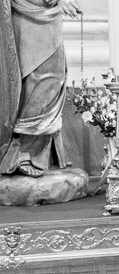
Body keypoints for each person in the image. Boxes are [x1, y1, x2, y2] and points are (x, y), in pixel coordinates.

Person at [0, 0, 80, 176]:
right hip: (25, 10)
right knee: (37, 77)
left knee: (52, 76)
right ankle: (24, 153)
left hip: (48, 13)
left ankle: (36, 151)